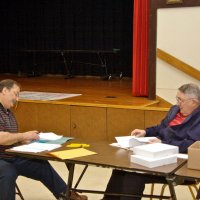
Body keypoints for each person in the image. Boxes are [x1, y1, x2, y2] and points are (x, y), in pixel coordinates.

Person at [103, 83, 200, 200]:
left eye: (181, 100)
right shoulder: (174, 110)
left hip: (179, 165)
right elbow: (161, 128)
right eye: (177, 99)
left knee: (133, 175)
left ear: (194, 102)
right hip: (157, 156)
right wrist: (145, 132)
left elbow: (190, 144)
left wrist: (163, 143)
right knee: (121, 169)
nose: (178, 103)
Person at [0, 79, 88, 200]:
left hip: (11, 156)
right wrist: (23, 136)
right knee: (8, 173)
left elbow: (10, 137)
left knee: (41, 164)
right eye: (16, 94)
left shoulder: (8, 111)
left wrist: (22, 141)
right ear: (4, 91)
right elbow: (1, 138)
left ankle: (66, 195)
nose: (17, 99)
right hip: (2, 159)